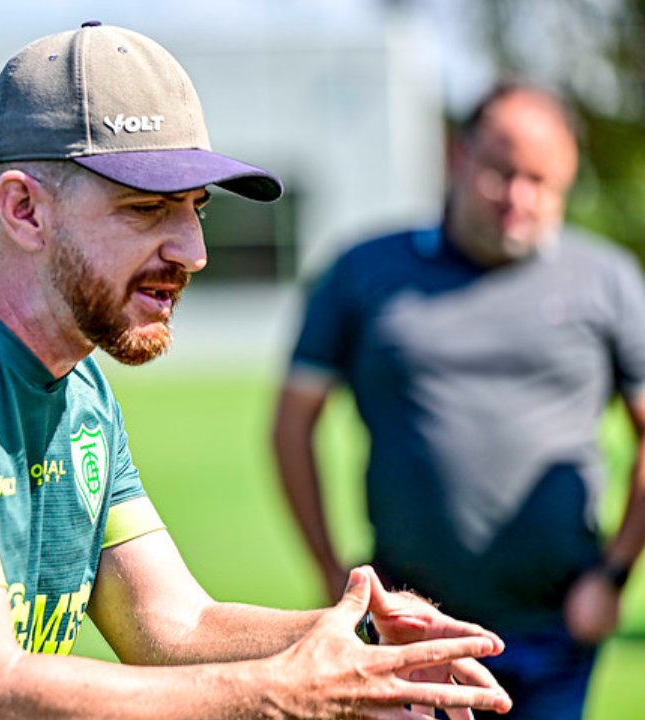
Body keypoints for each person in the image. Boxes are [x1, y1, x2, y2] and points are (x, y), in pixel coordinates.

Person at [0, 22, 513, 719]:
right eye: (146, 208)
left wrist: (354, 640)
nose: (191, 252)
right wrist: (275, 690)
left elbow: (168, 621)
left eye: (196, 210)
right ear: (24, 209)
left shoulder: (73, 375)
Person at [273, 81, 645, 719]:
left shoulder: (606, 280)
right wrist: (330, 570)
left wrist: (613, 576)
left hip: (556, 625)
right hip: (411, 627)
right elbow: (291, 424)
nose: (519, 199)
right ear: (458, 156)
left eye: (542, 182)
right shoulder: (364, 271)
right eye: (502, 172)